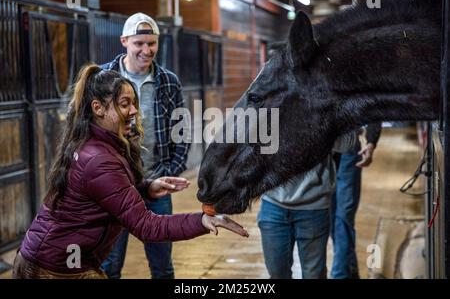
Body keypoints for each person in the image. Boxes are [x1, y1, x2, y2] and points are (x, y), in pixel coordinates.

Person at [11, 65, 248, 279]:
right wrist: (202, 220)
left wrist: (146, 187)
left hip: (57, 258)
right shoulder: (99, 160)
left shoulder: (98, 141)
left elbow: (106, 192)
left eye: (133, 103)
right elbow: (147, 226)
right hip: (54, 268)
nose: (134, 110)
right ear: (98, 108)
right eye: (125, 104)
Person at [100, 13, 188, 279]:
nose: (146, 50)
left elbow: (181, 132)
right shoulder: (103, 79)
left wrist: (171, 168)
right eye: (139, 43)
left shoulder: (169, 81)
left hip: (157, 184)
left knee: (162, 265)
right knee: (110, 264)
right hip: (115, 187)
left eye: (151, 43)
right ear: (124, 41)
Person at [257, 131, 359, 279]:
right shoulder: (269, 109)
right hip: (273, 204)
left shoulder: (324, 107)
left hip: (313, 206)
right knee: (277, 273)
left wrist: (324, 120)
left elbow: (347, 143)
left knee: (314, 275)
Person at [330, 123, 381, 279]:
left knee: (343, 218)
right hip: (323, 154)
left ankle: (340, 275)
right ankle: (350, 270)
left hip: (348, 149)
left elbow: (373, 106)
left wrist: (371, 141)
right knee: (331, 219)